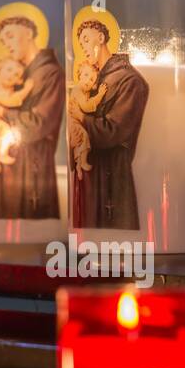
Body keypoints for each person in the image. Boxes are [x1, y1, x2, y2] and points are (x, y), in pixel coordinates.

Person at [0, 15, 63, 220]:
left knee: (28, 230)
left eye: (10, 36)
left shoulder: (49, 73)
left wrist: (0, 111)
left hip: (31, 169)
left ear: (29, 33)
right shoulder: (13, 74)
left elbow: (41, 123)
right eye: (3, 41)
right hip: (2, 168)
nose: (7, 45)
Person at [68, 19, 148, 230]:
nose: (83, 46)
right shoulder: (89, 81)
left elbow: (115, 130)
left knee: (116, 241)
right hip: (88, 177)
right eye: (80, 41)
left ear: (101, 37)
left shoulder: (129, 80)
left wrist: (83, 119)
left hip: (112, 175)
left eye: (86, 39)